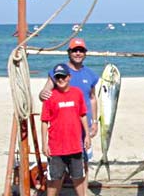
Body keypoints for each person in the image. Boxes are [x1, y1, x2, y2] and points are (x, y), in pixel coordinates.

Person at [40, 38, 99, 193]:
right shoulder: (60, 71)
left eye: (81, 50)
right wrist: (42, 93)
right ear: (69, 52)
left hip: (82, 126)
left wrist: (95, 123)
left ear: (85, 53)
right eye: (74, 50)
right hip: (61, 130)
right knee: (57, 170)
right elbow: (45, 93)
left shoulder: (90, 74)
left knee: (83, 164)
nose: (78, 53)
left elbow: (93, 98)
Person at [41, 63, 91, 196]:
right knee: (54, 179)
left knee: (78, 178)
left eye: (63, 76)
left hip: (75, 145)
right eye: (58, 77)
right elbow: (44, 121)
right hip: (56, 147)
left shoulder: (77, 93)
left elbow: (82, 115)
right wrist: (44, 143)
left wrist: (87, 135)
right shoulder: (50, 97)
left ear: (69, 77)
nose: (61, 80)